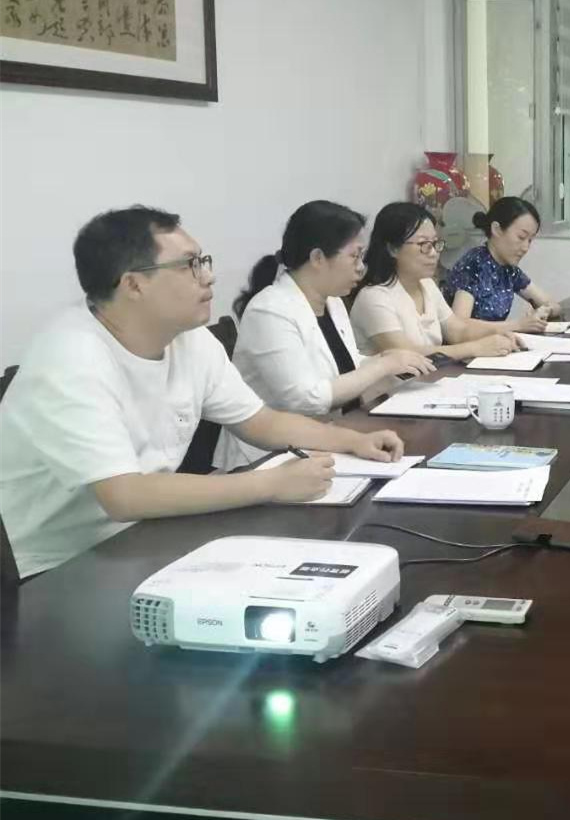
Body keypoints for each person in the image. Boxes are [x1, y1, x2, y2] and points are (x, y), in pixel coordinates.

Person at [0, 206, 407, 578]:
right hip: (51, 569)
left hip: (143, 535)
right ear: (133, 284)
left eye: (203, 261)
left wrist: (352, 441)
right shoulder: (70, 357)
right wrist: (270, 484)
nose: (208, 276)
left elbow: (260, 422)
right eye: (189, 266)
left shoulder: (188, 337)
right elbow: (124, 494)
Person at [213, 201, 436, 470]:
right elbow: (307, 399)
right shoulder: (270, 310)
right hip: (266, 460)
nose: (361, 267)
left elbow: (343, 368)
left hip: (328, 441)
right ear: (318, 258)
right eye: (354, 256)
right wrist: (382, 365)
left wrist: (384, 359)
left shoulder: (333, 302)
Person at [350, 202, 519, 360]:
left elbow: (457, 331)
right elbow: (405, 355)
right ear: (393, 248)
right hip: (395, 383)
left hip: (433, 378)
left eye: (435, 243)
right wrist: (476, 348)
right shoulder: (374, 297)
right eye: (423, 244)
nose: (433, 253)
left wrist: (497, 334)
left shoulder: (426, 285)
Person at [441, 196, 559, 333]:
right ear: (496, 229)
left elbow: (554, 305)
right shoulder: (473, 265)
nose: (526, 248)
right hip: (467, 346)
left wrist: (544, 311)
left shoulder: (509, 269)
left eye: (530, 240)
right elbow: (459, 324)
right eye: (521, 237)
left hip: (493, 343)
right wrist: (518, 325)